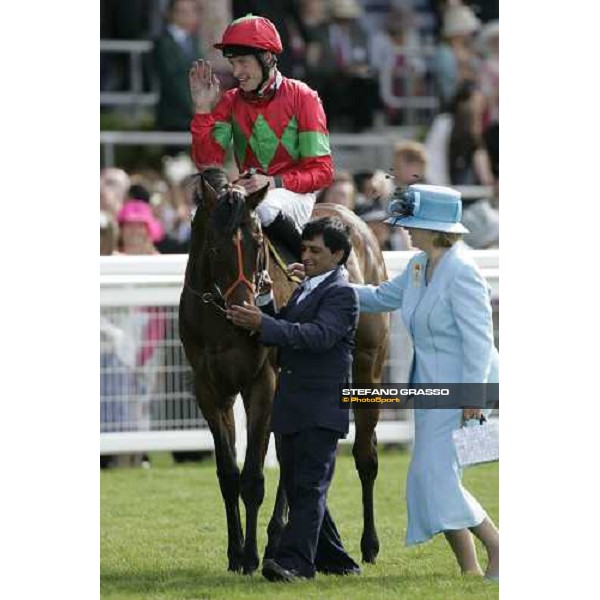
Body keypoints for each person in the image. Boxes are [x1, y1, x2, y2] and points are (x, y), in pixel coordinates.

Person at [349, 184, 500, 580]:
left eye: (412, 224)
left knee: (432, 477)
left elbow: (480, 341)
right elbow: (381, 297)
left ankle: (498, 546)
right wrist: (325, 286)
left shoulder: (463, 270)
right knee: (432, 478)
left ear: (435, 228)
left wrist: (475, 396)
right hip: (431, 390)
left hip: (465, 390)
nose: (406, 230)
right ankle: (469, 569)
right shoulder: (419, 265)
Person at [227, 217, 361, 581]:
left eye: (315, 250)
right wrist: (267, 302)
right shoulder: (306, 288)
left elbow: (318, 336)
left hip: (321, 406)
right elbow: (281, 333)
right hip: (293, 405)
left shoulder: (342, 292)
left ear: (338, 254)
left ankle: (295, 563)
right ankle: (335, 560)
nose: (306, 255)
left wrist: (263, 323)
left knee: (309, 485)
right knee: (304, 484)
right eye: (304, 248)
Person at [188, 14, 334, 258]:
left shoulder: (303, 97)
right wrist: (203, 110)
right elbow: (208, 162)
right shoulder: (230, 100)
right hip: (247, 193)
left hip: (294, 196)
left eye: (243, 62)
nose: (237, 72)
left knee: (263, 208)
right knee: (200, 216)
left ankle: (310, 273)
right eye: (232, 63)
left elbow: (322, 172)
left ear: (267, 58)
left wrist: (274, 182)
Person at [154, 0, 203, 134]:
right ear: (171, 13)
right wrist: (193, 106)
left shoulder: (194, 41)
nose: (189, 16)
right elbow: (173, 79)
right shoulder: (163, 42)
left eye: (193, 11)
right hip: (174, 118)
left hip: (194, 115)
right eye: (183, 12)